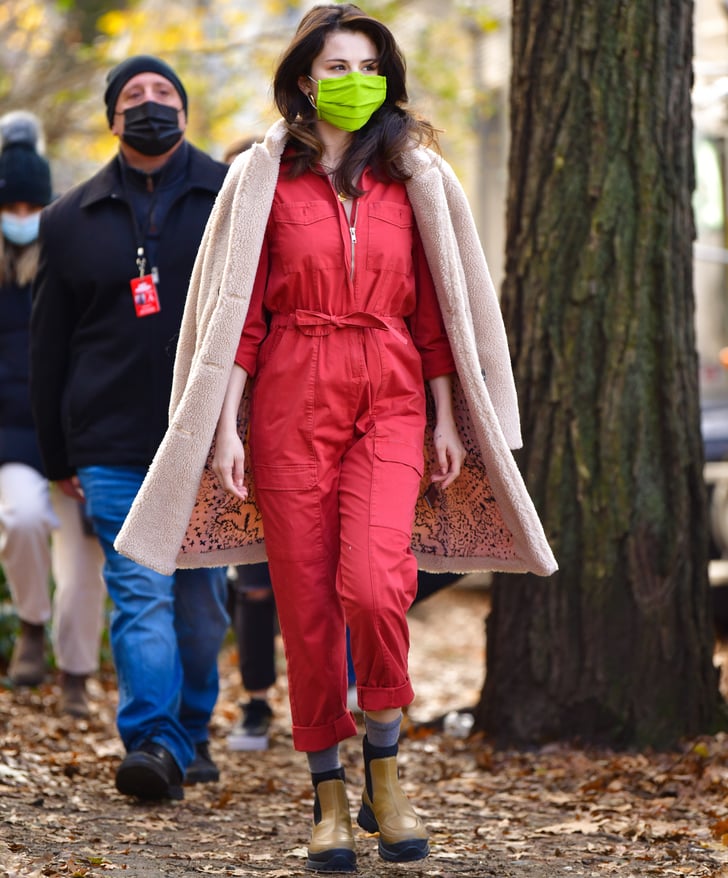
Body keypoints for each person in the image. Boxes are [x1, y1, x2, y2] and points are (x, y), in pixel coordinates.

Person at [116, 4, 556, 869]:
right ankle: (326, 794)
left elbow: (441, 311)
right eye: (335, 66)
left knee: (372, 585)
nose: (354, 80)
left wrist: (443, 414)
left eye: (368, 65)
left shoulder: (417, 176)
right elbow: (236, 314)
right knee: (308, 609)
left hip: (390, 394)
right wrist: (227, 426)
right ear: (303, 82)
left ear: (386, 77)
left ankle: (385, 771)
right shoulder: (259, 179)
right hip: (287, 398)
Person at [29, 56, 230, 801]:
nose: (150, 105)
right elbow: (48, 343)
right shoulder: (69, 217)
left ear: (186, 110)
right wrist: (58, 453)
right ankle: (153, 742)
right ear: (112, 119)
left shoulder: (230, 199)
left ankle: (195, 729)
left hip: (209, 443)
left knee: (201, 605)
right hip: (110, 443)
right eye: (134, 97)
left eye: (164, 94)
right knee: (139, 592)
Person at [0, 110, 106, 718]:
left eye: (29, 207)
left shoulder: (72, 254)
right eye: (10, 208)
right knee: (20, 520)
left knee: (84, 563)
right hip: (13, 433)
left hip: (78, 432)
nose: (20, 219)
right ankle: (33, 624)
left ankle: (75, 675)